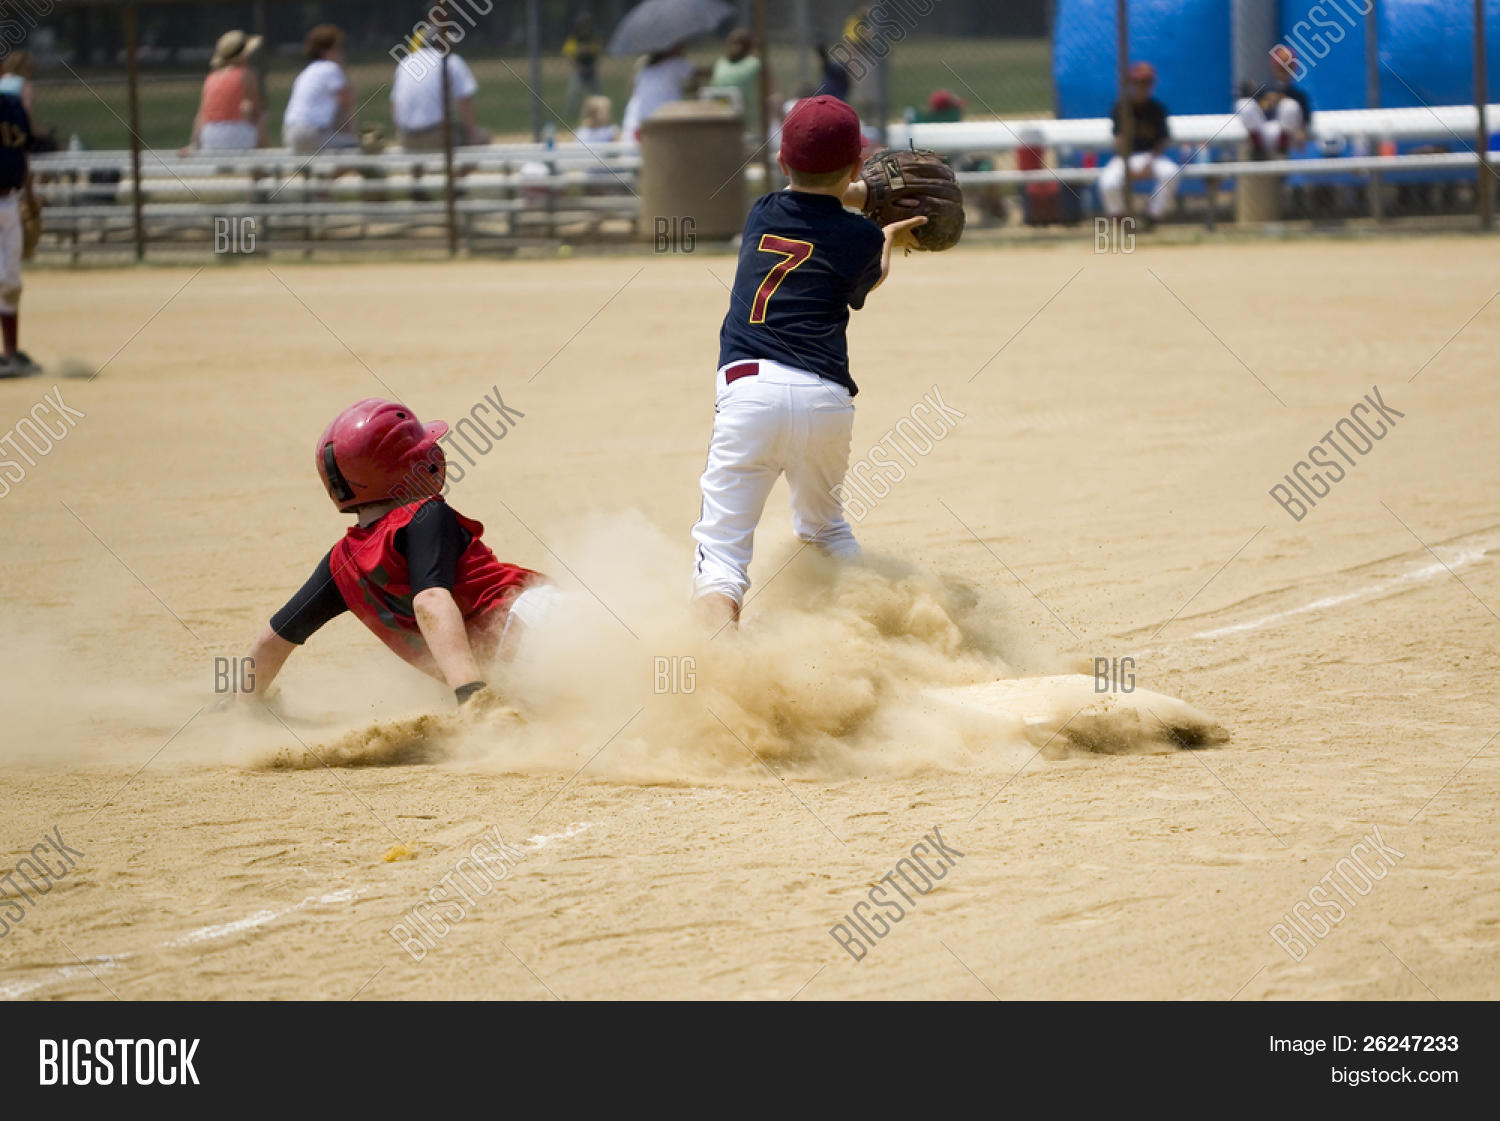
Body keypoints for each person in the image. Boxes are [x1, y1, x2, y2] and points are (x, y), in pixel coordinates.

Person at [690, 96, 924, 628]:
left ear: (780, 164)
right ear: (859, 165)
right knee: (826, 530)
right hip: (824, 399)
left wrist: (857, 194)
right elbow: (872, 268)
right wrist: (887, 235)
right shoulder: (861, 238)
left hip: (749, 391)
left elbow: (821, 196)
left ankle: (717, 675)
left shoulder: (762, 211)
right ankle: (887, 633)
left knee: (722, 557)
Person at [234, 398, 554, 709]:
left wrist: (243, 706)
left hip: (512, 672)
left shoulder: (341, 563)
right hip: (536, 624)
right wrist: (470, 694)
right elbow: (430, 600)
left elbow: (270, 642)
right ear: (405, 464)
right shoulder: (424, 514)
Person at [1098, 60, 1178, 229]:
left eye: (1146, 82)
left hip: (1151, 157)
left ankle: (1152, 217)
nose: (1143, 86)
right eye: (1139, 82)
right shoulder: (1122, 107)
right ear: (1132, 83)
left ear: (1152, 85)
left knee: (1171, 172)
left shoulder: (1157, 109)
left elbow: (1161, 141)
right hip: (1125, 157)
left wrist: (1149, 161)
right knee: (1108, 181)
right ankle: (1122, 221)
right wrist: (1127, 164)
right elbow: (1119, 140)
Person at [391, 25, 490, 150]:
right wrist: (472, 135)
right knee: (483, 137)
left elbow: (395, 104)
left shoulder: (405, 62)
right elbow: (465, 102)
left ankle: (420, 170)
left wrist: (400, 134)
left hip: (407, 139)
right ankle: (450, 170)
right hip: (439, 137)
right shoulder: (451, 61)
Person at [0, 79, 39, 377]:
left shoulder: (13, 107)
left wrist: (30, 194)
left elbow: (22, 152)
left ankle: (10, 352)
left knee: (11, 281)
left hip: (10, 202)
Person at [181, 30, 266, 155]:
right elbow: (257, 112)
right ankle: (264, 164)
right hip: (235, 135)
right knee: (262, 117)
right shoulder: (247, 74)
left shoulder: (211, 77)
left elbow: (201, 116)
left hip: (209, 136)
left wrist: (193, 144)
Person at [283, 24, 358, 155]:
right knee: (356, 147)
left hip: (290, 133)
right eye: (338, 48)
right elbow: (346, 103)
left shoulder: (307, 71)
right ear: (326, 51)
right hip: (312, 134)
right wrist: (353, 133)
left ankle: (321, 174)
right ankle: (329, 175)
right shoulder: (331, 68)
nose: (341, 52)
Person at [1236, 45, 1313, 156]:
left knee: (1290, 106)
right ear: (1274, 67)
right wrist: (1264, 102)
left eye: (1288, 67)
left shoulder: (1298, 96)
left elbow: (1306, 118)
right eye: (1281, 66)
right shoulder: (1263, 91)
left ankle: (1280, 149)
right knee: (1243, 104)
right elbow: (1249, 110)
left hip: (1283, 137)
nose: (1284, 70)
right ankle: (1258, 149)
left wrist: (1303, 130)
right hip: (1261, 133)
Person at [621, 45, 694, 142]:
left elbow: (665, 91)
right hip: (652, 133)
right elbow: (704, 73)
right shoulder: (675, 63)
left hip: (633, 130)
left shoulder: (644, 71)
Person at [709, 28, 769, 135]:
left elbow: (769, 88)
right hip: (721, 118)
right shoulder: (721, 64)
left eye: (739, 44)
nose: (735, 47)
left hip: (748, 122)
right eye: (733, 43)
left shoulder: (754, 64)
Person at [562, 12, 603, 122]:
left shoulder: (592, 36)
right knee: (574, 93)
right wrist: (578, 67)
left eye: (585, 23)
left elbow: (597, 52)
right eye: (581, 23)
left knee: (596, 93)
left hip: (591, 69)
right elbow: (569, 54)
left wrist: (593, 66)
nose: (583, 25)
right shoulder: (574, 37)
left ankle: (599, 112)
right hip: (579, 69)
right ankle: (571, 113)